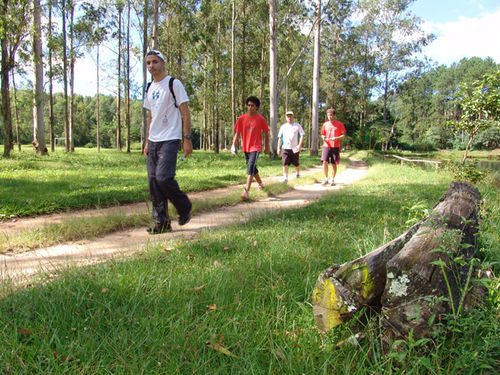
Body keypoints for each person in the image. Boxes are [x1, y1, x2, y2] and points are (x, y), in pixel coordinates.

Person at [143, 50, 192, 234]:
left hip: (171, 138)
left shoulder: (174, 83)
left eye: (154, 62)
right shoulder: (149, 87)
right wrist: (147, 141)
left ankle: (184, 206)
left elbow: (185, 112)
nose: (151, 66)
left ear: (163, 63)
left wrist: (187, 139)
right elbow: (150, 116)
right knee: (153, 183)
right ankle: (161, 222)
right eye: (148, 63)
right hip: (154, 141)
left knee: (163, 178)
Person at [231, 96, 270, 199]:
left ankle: (246, 191)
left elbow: (266, 133)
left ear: (256, 107)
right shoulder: (241, 118)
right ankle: (261, 184)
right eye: (248, 105)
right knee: (252, 167)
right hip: (246, 147)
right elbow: (237, 133)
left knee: (251, 166)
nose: (250, 107)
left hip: (256, 147)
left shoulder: (261, 119)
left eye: (252, 105)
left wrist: (267, 147)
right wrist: (233, 145)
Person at [277, 110, 305, 183]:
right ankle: (285, 178)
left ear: (293, 117)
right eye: (288, 116)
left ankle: (297, 173)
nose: (289, 117)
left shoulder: (297, 126)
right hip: (285, 148)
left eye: (290, 116)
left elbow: (302, 135)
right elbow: (280, 138)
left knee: (296, 163)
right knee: (285, 163)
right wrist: (278, 148)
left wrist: (299, 145)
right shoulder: (283, 127)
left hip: (294, 148)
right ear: (286, 117)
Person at [320, 108, 346, 186]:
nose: (329, 117)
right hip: (326, 146)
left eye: (331, 115)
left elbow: (343, 135)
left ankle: (332, 179)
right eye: (328, 115)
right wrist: (323, 137)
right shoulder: (325, 124)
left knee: (334, 163)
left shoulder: (339, 124)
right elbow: (322, 134)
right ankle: (325, 178)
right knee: (325, 162)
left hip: (335, 146)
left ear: (334, 115)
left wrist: (337, 138)